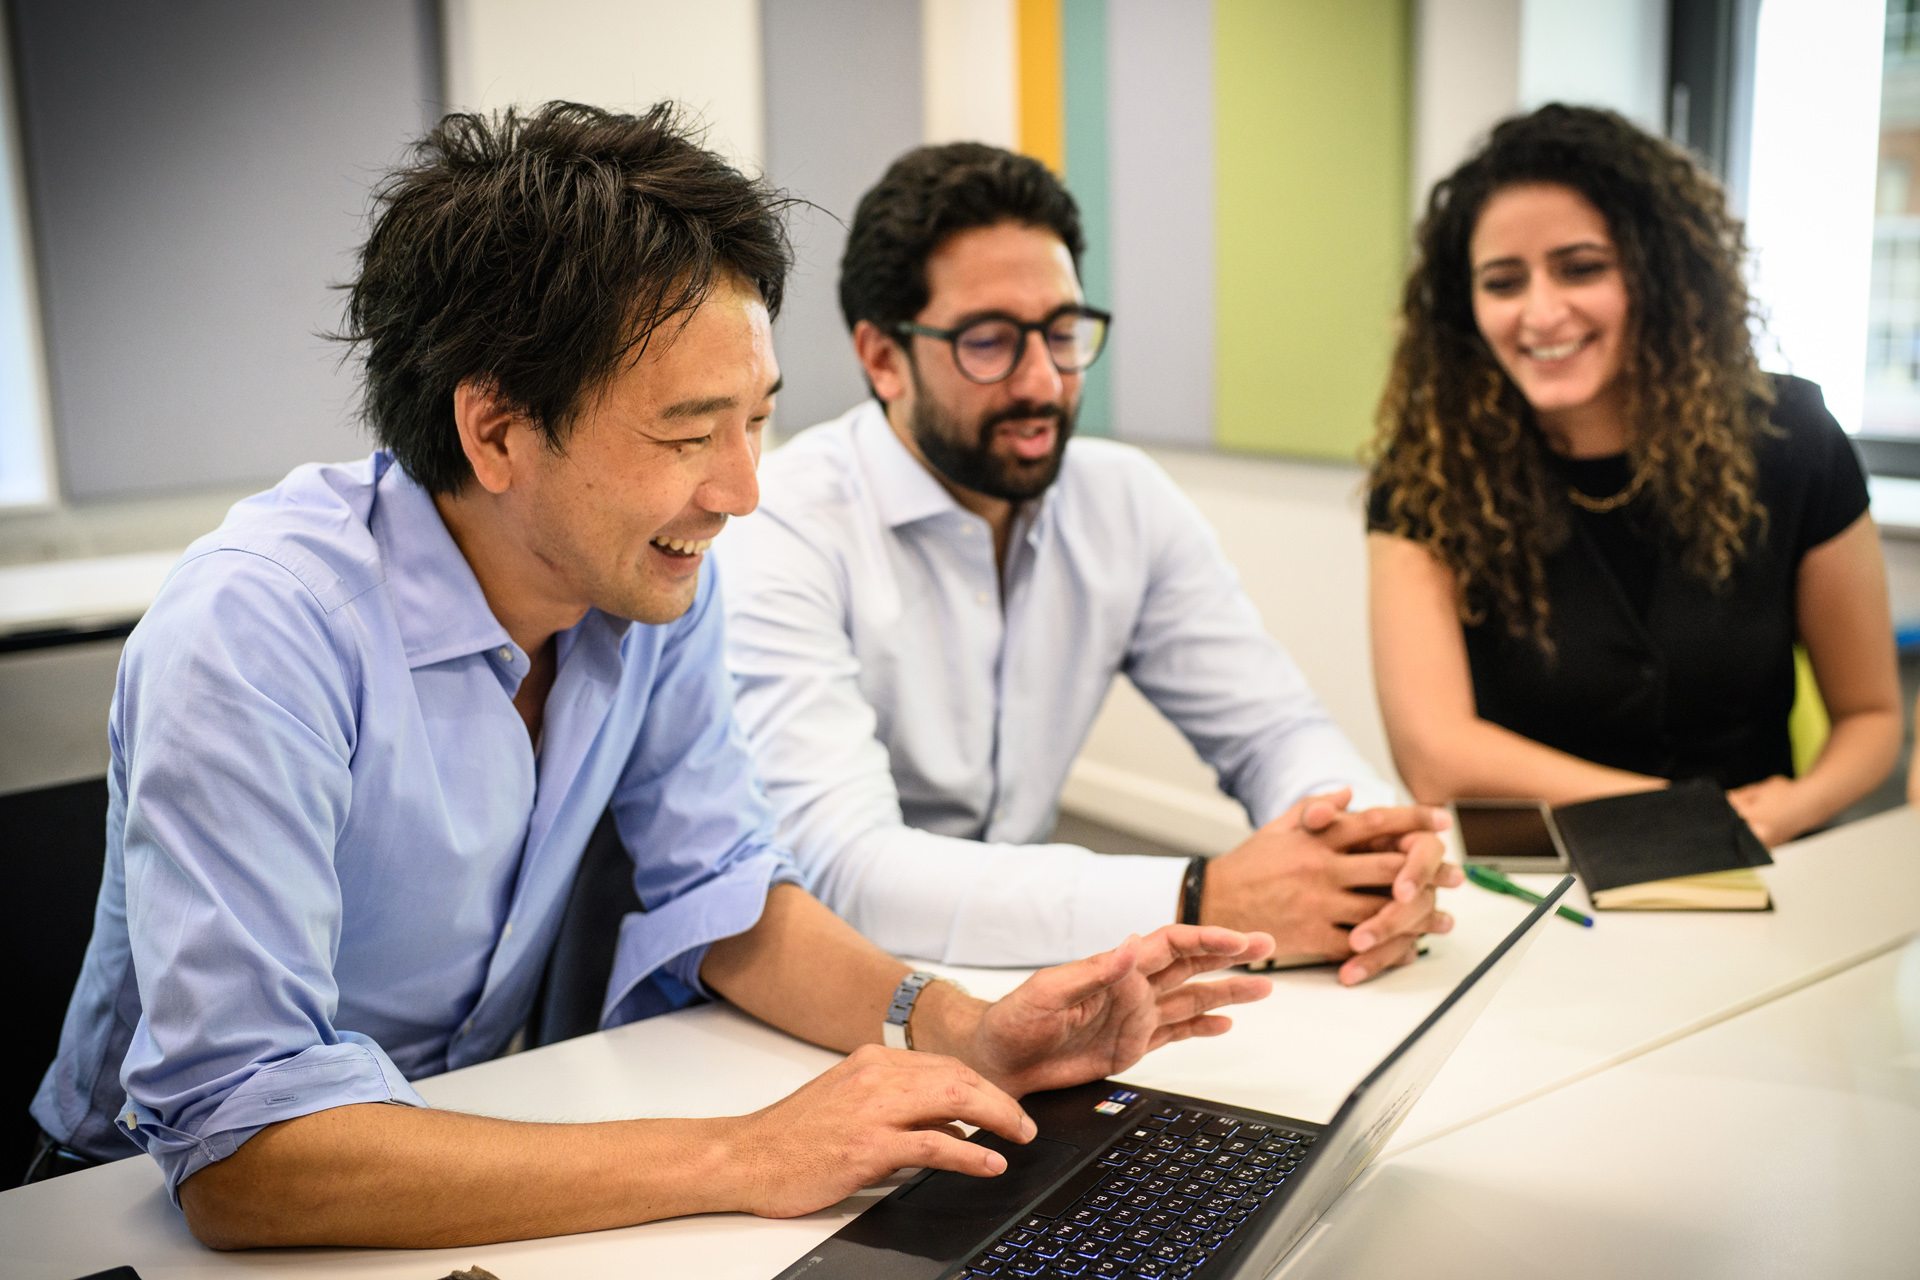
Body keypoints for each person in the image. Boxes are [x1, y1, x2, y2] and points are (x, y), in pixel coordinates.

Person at [24, 103, 1278, 1248]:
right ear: (498, 429)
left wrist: (962, 1025)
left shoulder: (650, 581)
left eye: (757, 419)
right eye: (688, 433)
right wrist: (747, 1150)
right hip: (129, 1215)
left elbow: (724, 894)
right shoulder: (259, 630)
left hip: (453, 1142)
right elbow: (244, 1151)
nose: (739, 490)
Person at [717, 142, 1459, 988]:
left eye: (1062, 332)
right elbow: (846, 871)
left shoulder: (1122, 501)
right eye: (989, 342)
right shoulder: (783, 523)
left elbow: (1274, 732)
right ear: (884, 358)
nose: (1044, 381)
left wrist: (1372, 852)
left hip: (1039, 977)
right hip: (829, 998)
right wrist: (1202, 895)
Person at [1367, 104, 1902, 845]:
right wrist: (1684, 816)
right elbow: (1434, 755)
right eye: (1503, 282)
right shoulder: (1431, 469)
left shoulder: (1793, 438)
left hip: (1759, 860)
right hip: (1535, 876)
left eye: (1581, 268)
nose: (1541, 313)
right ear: (1468, 306)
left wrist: (1796, 806)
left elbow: (1872, 717)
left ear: (1660, 273)